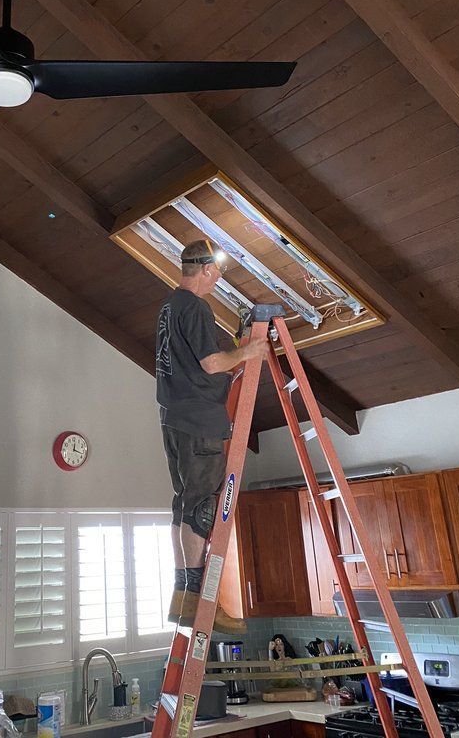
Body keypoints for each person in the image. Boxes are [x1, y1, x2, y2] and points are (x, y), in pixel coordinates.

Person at [156, 238, 269, 633]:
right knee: (203, 507)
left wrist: (231, 364)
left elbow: (191, 365)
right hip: (200, 423)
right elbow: (210, 362)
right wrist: (248, 353)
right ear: (205, 270)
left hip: (174, 418)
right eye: (218, 270)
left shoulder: (170, 307)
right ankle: (201, 602)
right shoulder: (196, 307)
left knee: (184, 507)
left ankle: (184, 596)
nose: (219, 277)